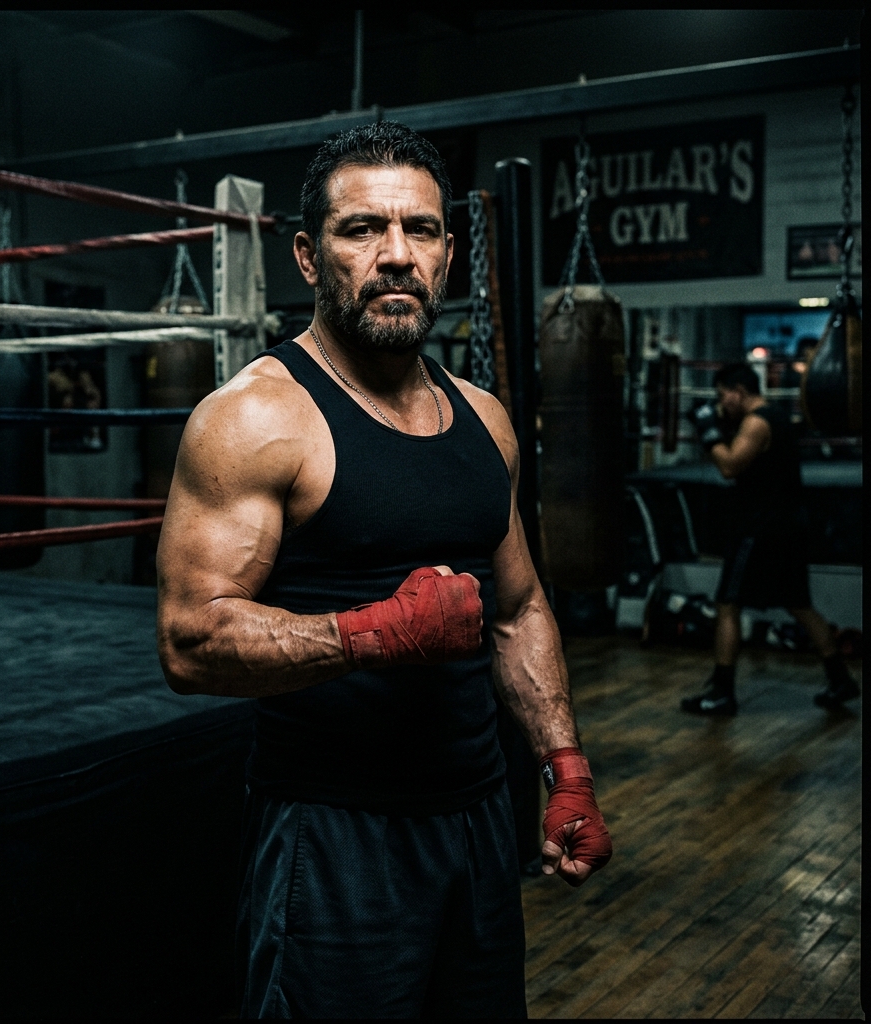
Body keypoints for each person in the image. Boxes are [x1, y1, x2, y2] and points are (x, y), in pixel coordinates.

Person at [156, 121, 611, 1019]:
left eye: (421, 229)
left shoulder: (486, 421)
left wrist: (566, 768)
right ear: (308, 255)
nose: (397, 254)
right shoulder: (255, 419)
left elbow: (518, 609)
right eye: (362, 229)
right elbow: (189, 640)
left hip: (477, 823)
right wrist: (372, 635)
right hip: (334, 834)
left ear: (447, 253)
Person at [683, 362, 859, 716]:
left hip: (759, 528)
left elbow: (730, 465)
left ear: (739, 391)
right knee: (799, 604)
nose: (721, 403)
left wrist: (708, 431)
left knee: (728, 603)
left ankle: (722, 691)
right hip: (786, 527)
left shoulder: (757, 423)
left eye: (723, 395)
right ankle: (840, 678)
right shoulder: (776, 417)